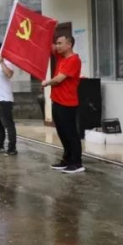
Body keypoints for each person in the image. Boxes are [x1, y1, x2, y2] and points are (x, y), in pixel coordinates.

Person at [43, 35, 84, 174]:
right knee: (62, 133)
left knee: (71, 134)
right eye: (57, 43)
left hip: (68, 103)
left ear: (69, 44)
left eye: (60, 43)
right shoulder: (61, 57)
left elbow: (59, 79)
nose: (57, 46)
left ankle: (77, 162)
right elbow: (49, 45)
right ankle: (67, 160)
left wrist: (46, 83)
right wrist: (48, 28)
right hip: (57, 101)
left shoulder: (74, 60)